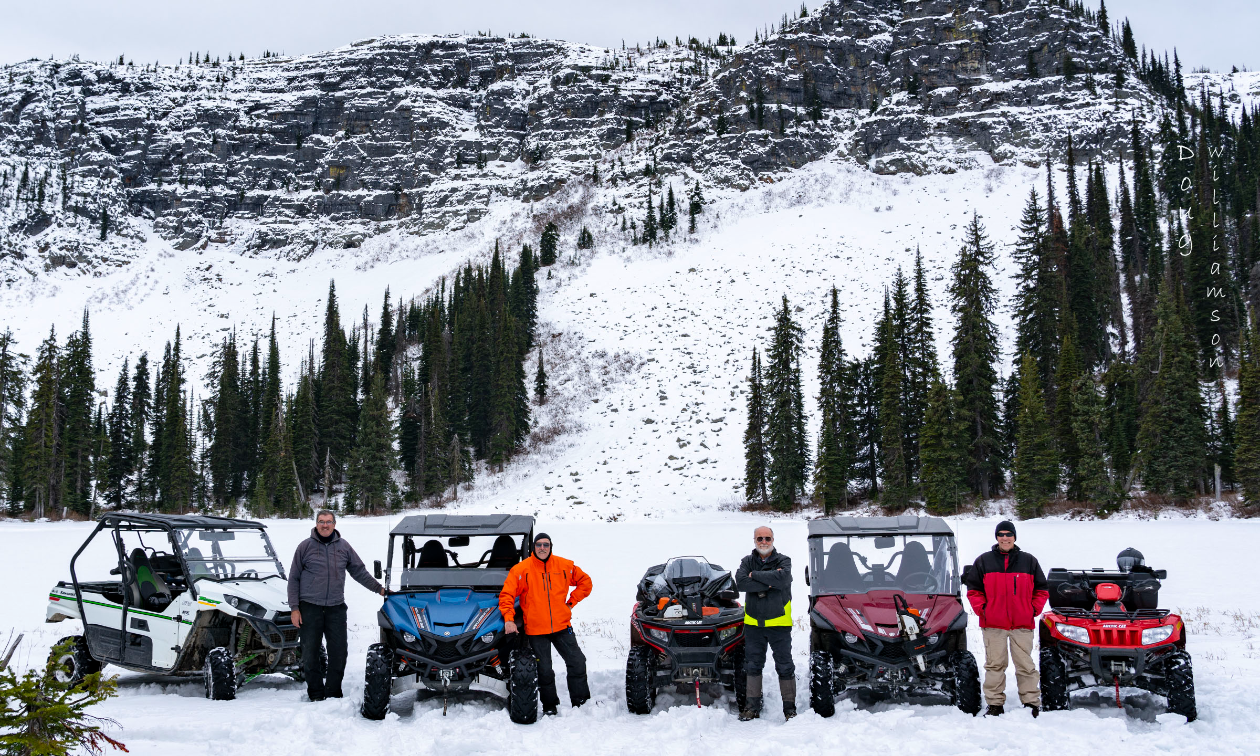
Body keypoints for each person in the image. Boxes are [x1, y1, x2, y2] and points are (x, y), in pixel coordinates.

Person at [288, 509, 384, 701]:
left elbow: (359, 571)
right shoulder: (304, 547)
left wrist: (379, 589)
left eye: (329, 521)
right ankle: (315, 693)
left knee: (339, 652)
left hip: (335, 608)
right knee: (310, 652)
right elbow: (294, 579)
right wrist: (294, 608)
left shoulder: (343, 547)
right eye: (321, 521)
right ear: (316, 524)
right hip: (309, 607)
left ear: (334, 524)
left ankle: (333, 692)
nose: (325, 525)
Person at [499, 532, 593, 716]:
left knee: (577, 662)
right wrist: (509, 619)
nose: (542, 548)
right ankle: (550, 706)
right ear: (533, 547)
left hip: (562, 627)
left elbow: (585, 582)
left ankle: (581, 702)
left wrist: (571, 603)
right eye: (539, 545)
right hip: (536, 630)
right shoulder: (521, 569)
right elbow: (507, 595)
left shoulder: (564, 565)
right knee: (544, 670)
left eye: (546, 545)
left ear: (551, 547)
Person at [964, 520, 1049, 717]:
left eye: (1008, 534)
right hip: (993, 625)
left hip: (1022, 624)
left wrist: (1032, 609)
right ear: (996, 537)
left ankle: (1031, 702)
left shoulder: (1029, 561)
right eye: (1001, 534)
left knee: (1026, 666)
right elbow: (974, 590)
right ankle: (994, 704)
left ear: (1014, 537)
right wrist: (983, 610)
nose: (1004, 538)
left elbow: (1041, 590)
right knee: (995, 666)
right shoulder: (984, 561)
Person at [734, 525, 796, 721]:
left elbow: (784, 577)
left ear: (773, 540)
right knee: (752, 665)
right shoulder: (747, 561)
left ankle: (790, 709)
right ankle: (751, 708)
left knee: (785, 666)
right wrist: (771, 581)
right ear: (754, 540)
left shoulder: (784, 561)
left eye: (767, 538)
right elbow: (741, 583)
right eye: (759, 538)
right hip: (754, 625)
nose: (763, 542)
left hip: (779, 624)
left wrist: (756, 576)